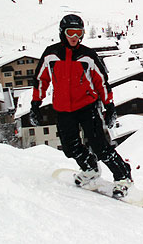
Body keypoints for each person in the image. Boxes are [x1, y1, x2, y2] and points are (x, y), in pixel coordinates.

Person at [30, 14, 132, 198]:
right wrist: (35, 104)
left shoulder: (87, 56)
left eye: (79, 33)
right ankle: (89, 167)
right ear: (63, 33)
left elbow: (102, 82)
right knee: (70, 147)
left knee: (99, 145)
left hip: (87, 107)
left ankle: (123, 176)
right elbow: (40, 80)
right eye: (71, 33)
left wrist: (109, 106)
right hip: (63, 109)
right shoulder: (51, 55)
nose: (75, 37)